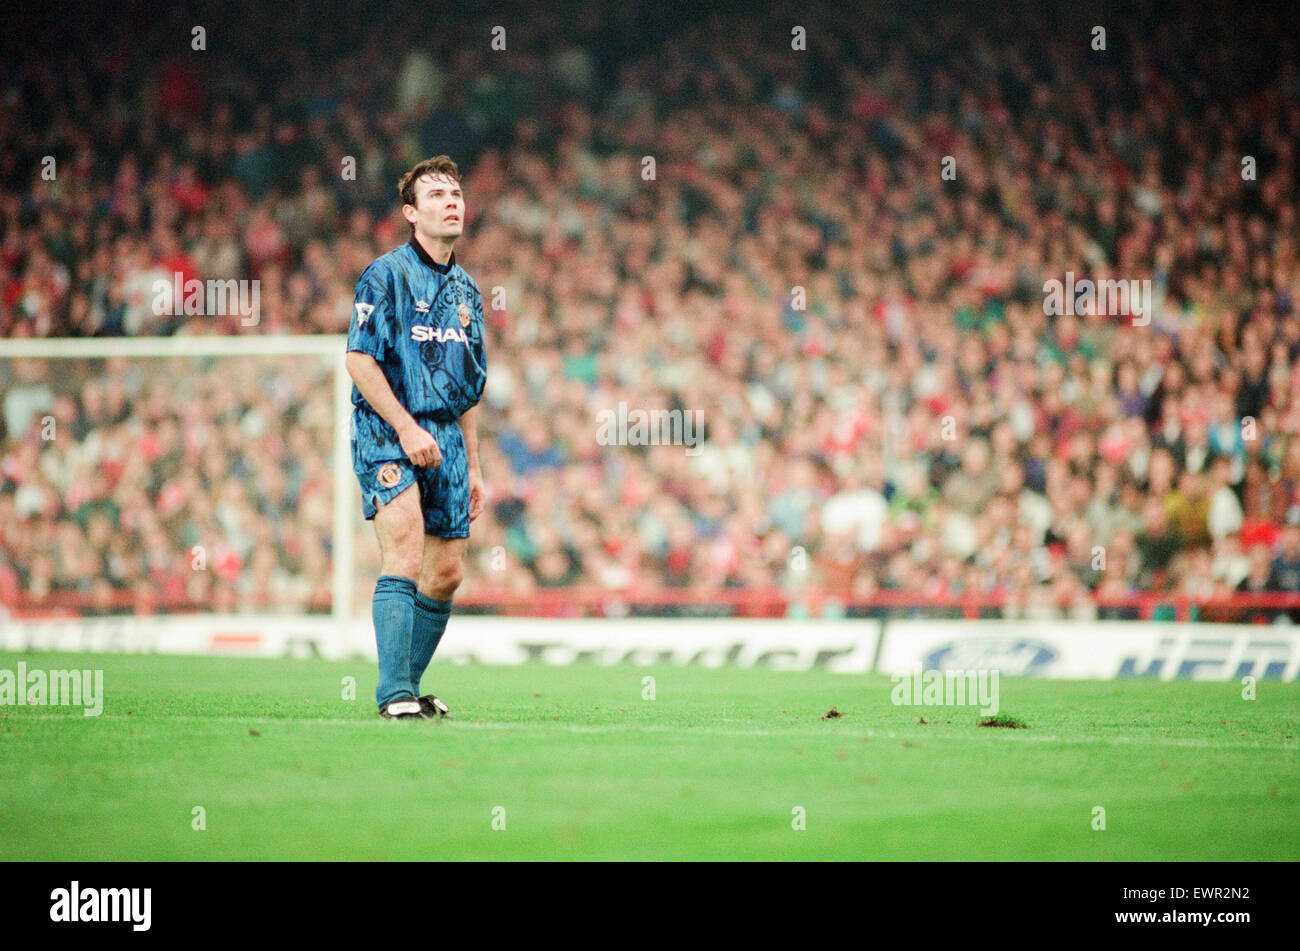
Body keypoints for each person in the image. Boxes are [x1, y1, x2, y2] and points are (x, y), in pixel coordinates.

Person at [345, 155, 486, 719]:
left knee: (447, 571)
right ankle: (393, 695)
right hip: (388, 430)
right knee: (403, 550)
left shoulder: (469, 292)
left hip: (447, 438)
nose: (450, 201)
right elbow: (358, 359)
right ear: (411, 212)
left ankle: (408, 683)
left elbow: (469, 387)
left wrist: (474, 465)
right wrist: (404, 428)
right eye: (436, 195)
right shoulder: (385, 274)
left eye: (455, 193)